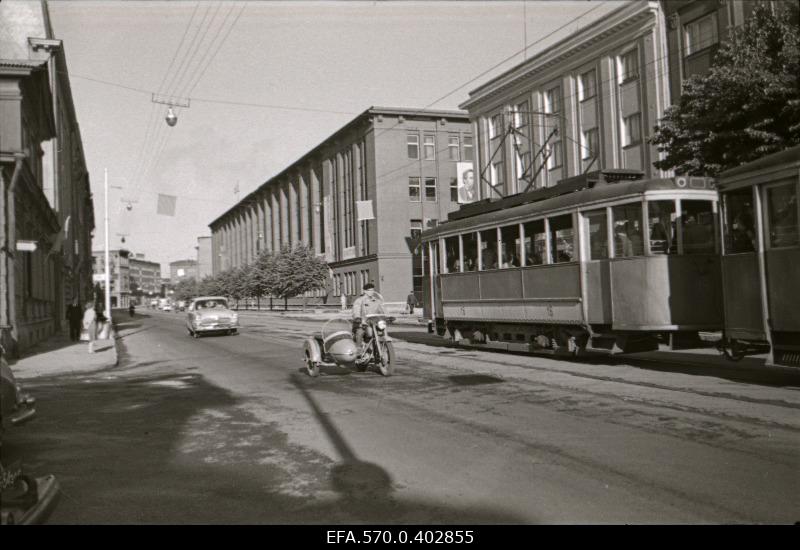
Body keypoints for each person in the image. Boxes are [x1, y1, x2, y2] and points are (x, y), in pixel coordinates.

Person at [351, 283, 384, 348]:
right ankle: (358, 350)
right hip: (362, 323)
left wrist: (388, 316)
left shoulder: (376, 301)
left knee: (379, 332)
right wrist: (357, 317)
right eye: (370, 290)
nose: (372, 292)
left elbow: (382, 309)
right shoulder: (360, 300)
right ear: (365, 291)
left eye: (373, 290)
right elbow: (356, 310)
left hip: (374, 323)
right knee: (360, 332)